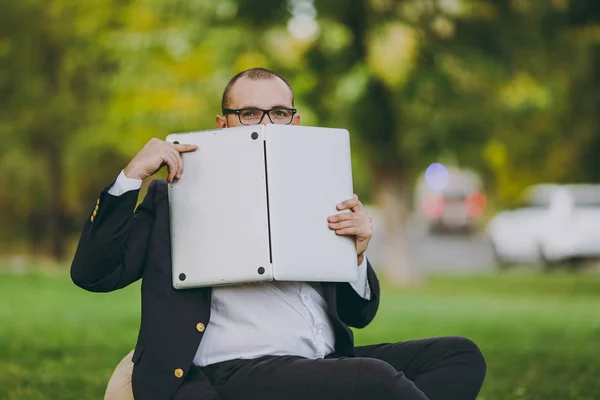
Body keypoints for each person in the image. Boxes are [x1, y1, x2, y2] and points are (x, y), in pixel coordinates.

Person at [71, 68, 486, 400]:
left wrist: (356, 256)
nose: (267, 123)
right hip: (238, 367)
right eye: (250, 113)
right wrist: (130, 177)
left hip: (321, 361)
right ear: (223, 123)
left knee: (460, 356)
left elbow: (360, 316)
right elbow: (93, 273)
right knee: (373, 379)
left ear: (295, 121)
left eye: (279, 113)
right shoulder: (172, 196)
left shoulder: (320, 189)